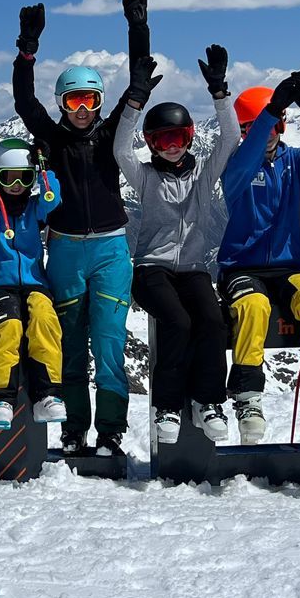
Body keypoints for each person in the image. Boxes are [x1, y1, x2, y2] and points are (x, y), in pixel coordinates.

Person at [13, 0, 148, 458]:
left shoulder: (111, 135)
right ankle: (74, 430)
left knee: (109, 344)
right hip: (66, 249)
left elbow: (138, 83)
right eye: (74, 102)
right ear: (62, 105)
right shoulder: (51, 140)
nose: (83, 110)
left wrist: (137, 28)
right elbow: (24, 101)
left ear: (100, 102)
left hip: (111, 249)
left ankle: (110, 431)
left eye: (90, 100)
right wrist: (26, 52)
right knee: (70, 346)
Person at [217, 71, 300, 443]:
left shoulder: (295, 162)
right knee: (253, 307)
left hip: (290, 267)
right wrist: (270, 111)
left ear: (283, 126)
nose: (265, 133)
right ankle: (248, 401)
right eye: (252, 127)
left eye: (275, 124)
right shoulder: (236, 166)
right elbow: (247, 160)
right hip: (242, 268)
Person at [115, 44, 239, 445]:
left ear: (190, 137)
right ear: (151, 144)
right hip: (151, 270)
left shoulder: (203, 175)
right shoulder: (146, 177)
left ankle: (208, 401)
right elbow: (120, 149)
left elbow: (231, 138)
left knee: (213, 323)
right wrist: (135, 100)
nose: (172, 146)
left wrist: (220, 92)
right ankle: (167, 407)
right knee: (178, 322)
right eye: (163, 139)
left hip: (193, 269)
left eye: (179, 137)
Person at [0, 138, 66, 432]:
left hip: (35, 283)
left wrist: (45, 169)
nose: (17, 184)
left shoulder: (36, 208)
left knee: (44, 320)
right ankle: (1, 399)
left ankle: (48, 394)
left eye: (25, 177)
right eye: (9, 177)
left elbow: (53, 200)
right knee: (8, 328)